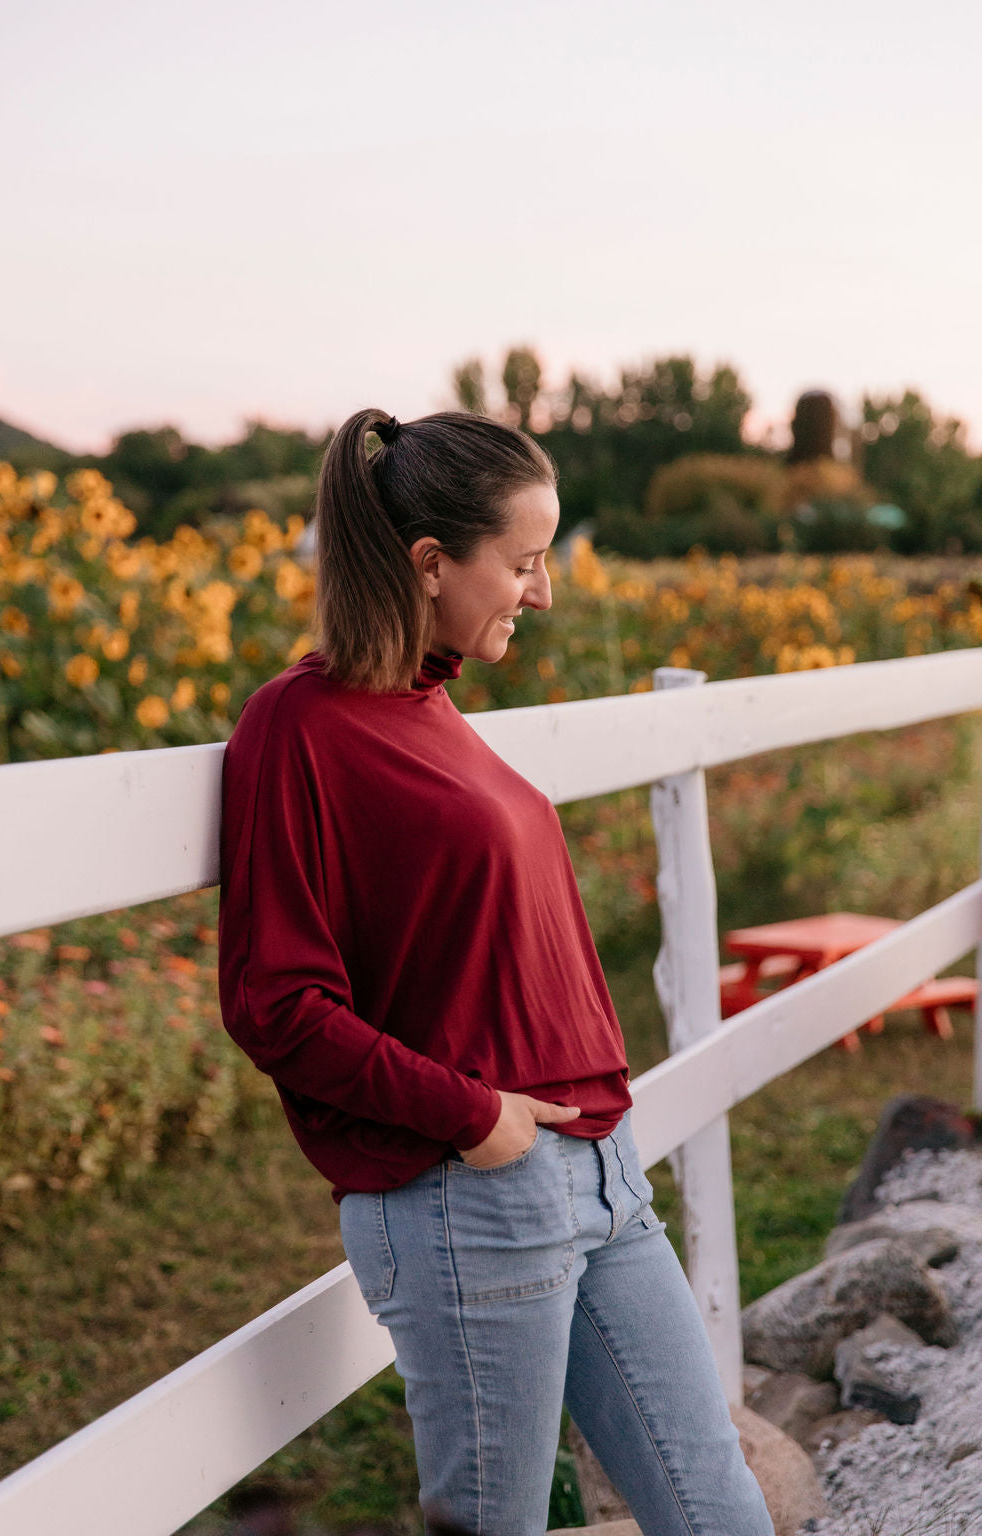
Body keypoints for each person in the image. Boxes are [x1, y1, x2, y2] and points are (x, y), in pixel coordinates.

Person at [217, 408, 773, 1536]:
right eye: (522, 564)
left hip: (604, 1182)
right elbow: (275, 1002)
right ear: (431, 563)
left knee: (719, 1511)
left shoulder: (432, 709)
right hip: (476, 1196)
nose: (542, 591)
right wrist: (474, 1117)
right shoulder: (300, 727)